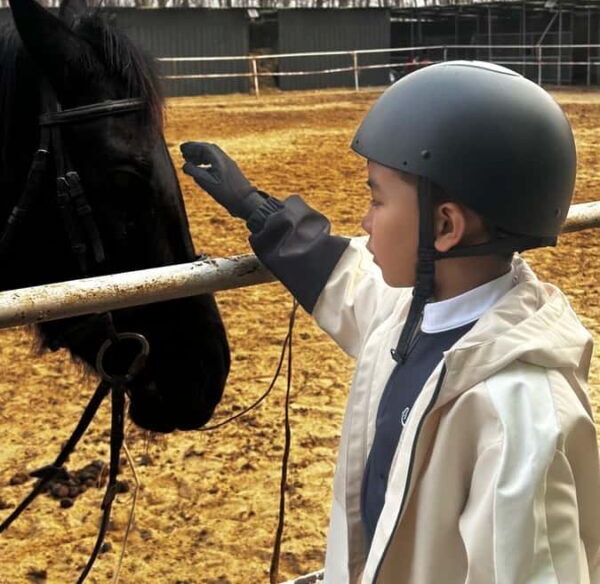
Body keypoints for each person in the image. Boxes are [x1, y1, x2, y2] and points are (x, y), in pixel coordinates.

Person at [181, 60, 600, 584]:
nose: (364, 220)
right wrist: (256, 209)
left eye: (377, 199)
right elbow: (348, 284)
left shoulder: (521, 418)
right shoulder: (417, 314)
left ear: (445, 226)